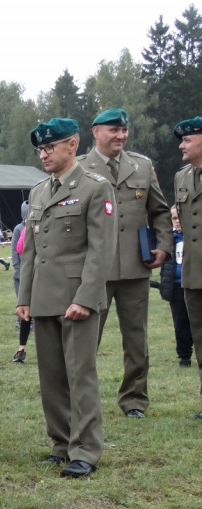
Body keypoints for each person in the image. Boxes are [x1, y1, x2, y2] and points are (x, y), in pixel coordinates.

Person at [16, 118, 116, 478]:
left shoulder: (94, 188)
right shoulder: (39, 191)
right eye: (40, 149)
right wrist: (24, 297)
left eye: (50, 147)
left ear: (72, 145)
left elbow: (101, 250)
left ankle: (86, 450)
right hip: (44, 298)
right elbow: (29, 252)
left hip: (77, 298)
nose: (44, 154)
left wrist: (86, 298)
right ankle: (61, 444)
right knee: (52, 378)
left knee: (80, 375)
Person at [77, 108, 173, 419]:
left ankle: (134, 400)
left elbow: (159, 210)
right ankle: (81, 400)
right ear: (96, 132)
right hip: (94, 271)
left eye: (124, 130)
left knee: (136, 340)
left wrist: (164, 246)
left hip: (135, 266)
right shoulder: (79, 168)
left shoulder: (141, 166)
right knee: (86, 339)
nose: (120, 136)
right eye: (113, 130)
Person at [173, 117, 202, 417]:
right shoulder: (182, 177)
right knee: (200, 338)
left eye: (187, 140)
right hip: (193, 271)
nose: (181, 145)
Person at [158, 204, 193, 366]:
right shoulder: (169, 240)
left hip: (194, 285)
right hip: (176, 287)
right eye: (174, 218)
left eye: (180, 217)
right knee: (180, 323)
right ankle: (184, 356)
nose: (177, 221)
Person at [11, 200, 33, 363]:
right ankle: (21, 349)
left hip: (39, 273)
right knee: (25, 309)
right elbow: (17, 248)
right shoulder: (21, 229)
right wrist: (17, 267)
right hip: (26, 272)